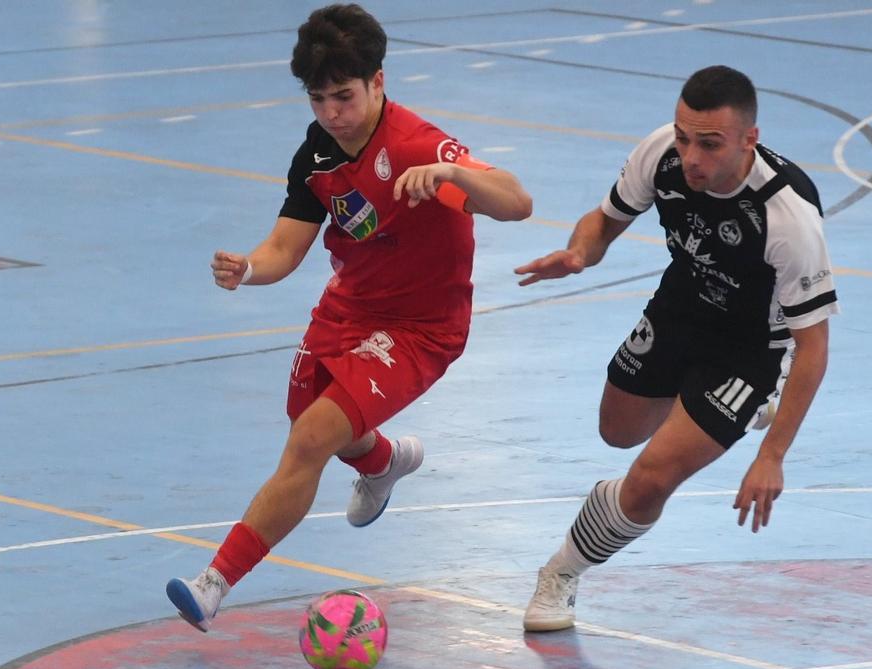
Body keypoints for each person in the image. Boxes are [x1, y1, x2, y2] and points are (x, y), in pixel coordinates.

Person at [166, 3, 531, 632]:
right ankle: (382, 460)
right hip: (349, 308)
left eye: (344, 96)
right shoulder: (318, 155)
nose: (332, 113)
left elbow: (518, 202)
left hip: (422, 327)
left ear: (378, 82)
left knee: (310, 439)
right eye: (318, 100)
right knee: (310, 424)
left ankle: (213, 583)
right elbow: (285, 248)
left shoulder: (417, 145)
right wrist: (248, 270)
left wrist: (452, 173)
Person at [514, 65, 837, 631]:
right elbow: (605, 219)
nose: (691, 156)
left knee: (651, 480)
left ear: (748, 140)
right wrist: (580, 254)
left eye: (709, 144)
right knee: (616, 431)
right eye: (685, 137)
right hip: (684, 302)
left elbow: (815, 345)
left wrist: (772, 456)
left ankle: (560, 573)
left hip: (751, 347)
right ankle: (618, 500)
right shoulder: (662, 154)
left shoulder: (788, 218)